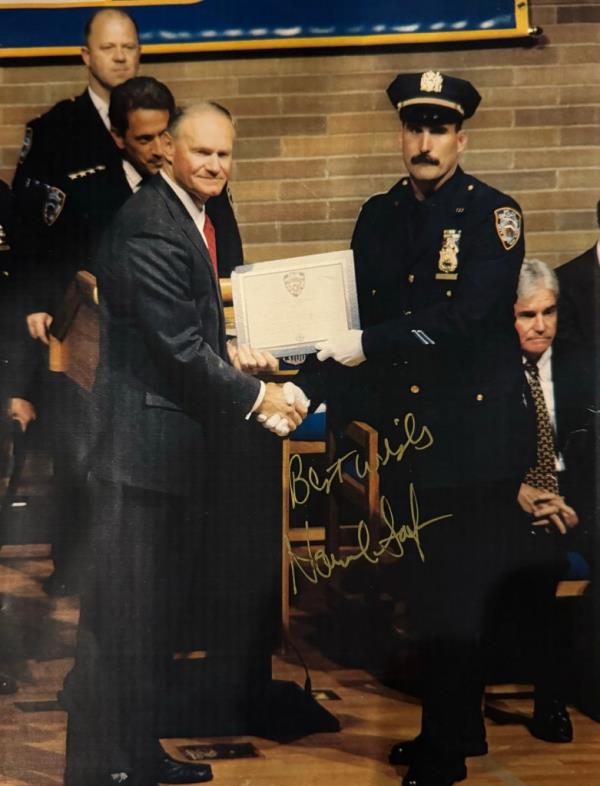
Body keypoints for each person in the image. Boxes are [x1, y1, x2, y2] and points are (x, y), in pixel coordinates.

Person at [63, 102, 307, 786]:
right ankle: (104, 769)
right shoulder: (153, 225)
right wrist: (260, 396)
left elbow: (186, 330)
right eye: (202, 152)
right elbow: (175, 347)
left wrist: (235, 352)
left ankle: (134, 759)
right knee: (123, 625)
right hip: (140, 453)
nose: (214, 166)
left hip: (161, 448)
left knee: (147, 625)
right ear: (168, 149)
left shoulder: (187, 215)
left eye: (225, 155)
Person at [308, 71, 533, 786]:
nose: (424, 142)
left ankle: (443, 756)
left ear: (461, 139)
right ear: (401, 136)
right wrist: (308, 388)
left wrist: (371, 345)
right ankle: (457, 730)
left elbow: (464, 325)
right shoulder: (378, 216)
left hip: (475, 441)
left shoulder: (495, 217)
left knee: (454, 598)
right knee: (429, 594)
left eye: (439, 129)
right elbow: (353, 318)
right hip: (414, 440)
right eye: (414, 128)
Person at [498, 258, 594, 742]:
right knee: (541, 564)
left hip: (578, 493)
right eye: (526, 316)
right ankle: (550, 701)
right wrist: (528, 494)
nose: (541, 327)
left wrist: (574, 501)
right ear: (508, 316)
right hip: (514, 497)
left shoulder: (581, 362)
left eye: (549, 313)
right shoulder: (490, 371)